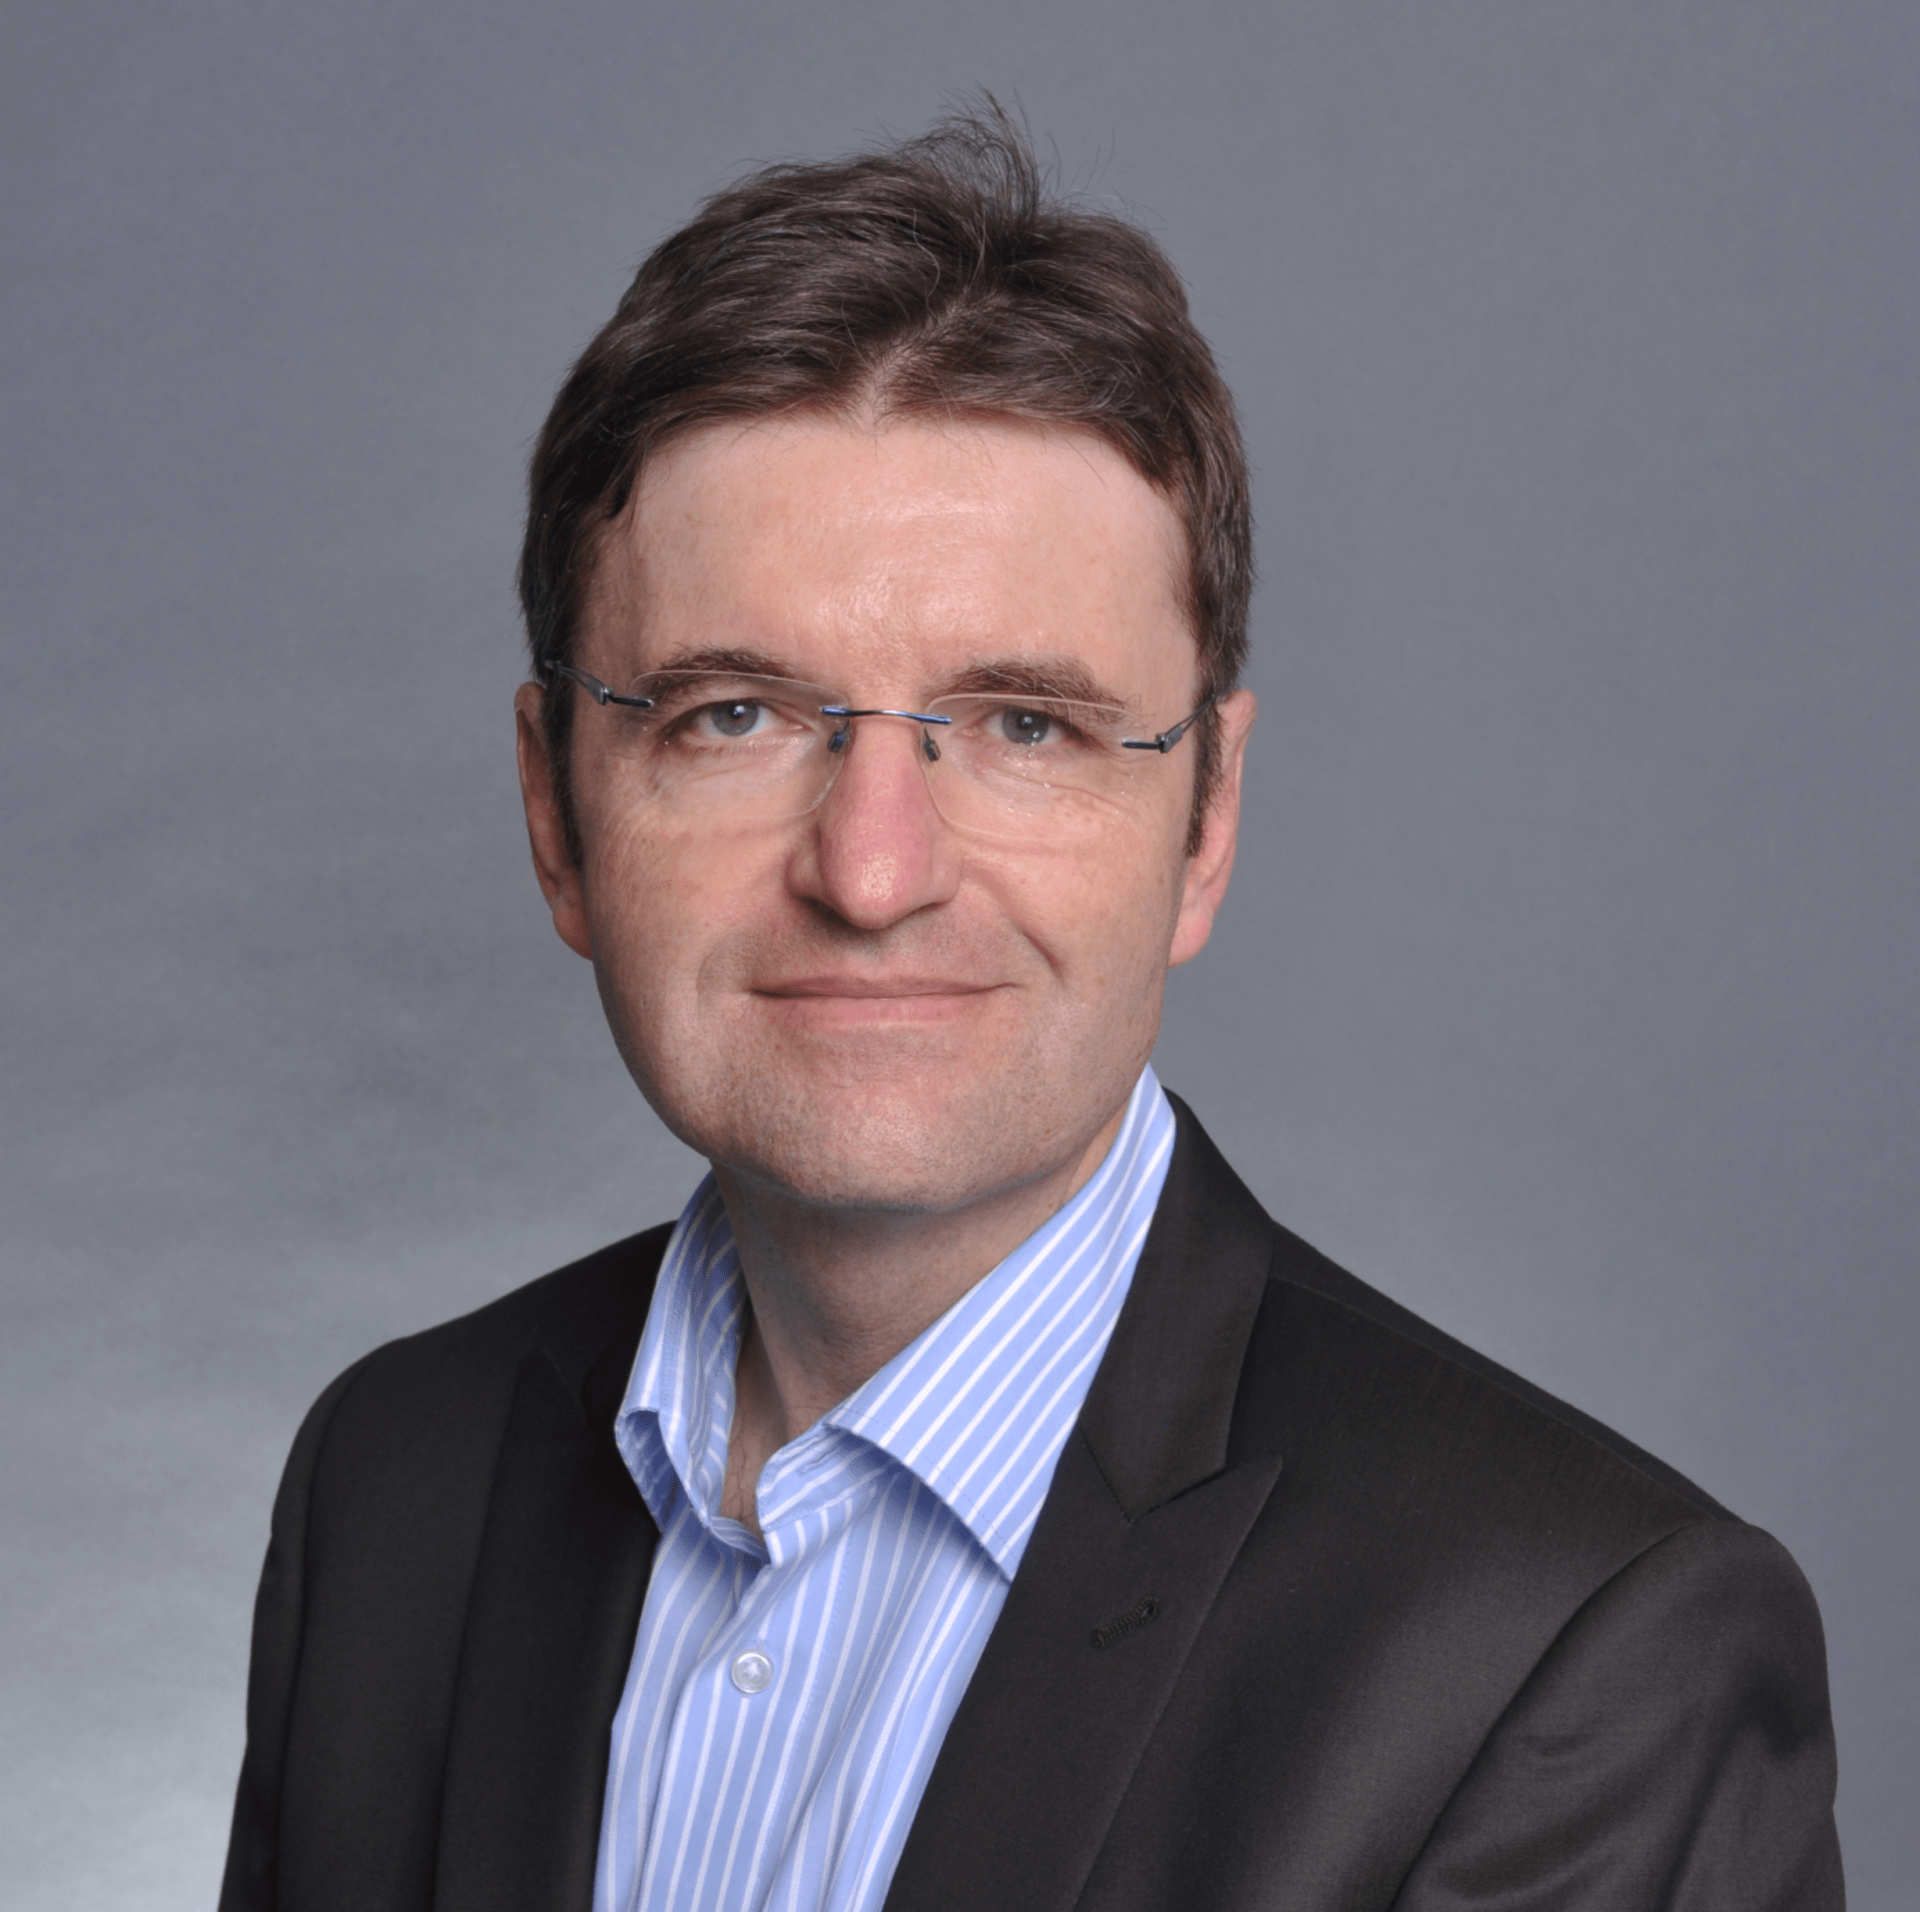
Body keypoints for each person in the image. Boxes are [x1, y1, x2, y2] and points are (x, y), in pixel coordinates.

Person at [218, 110, 1843, 1912]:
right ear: (557, 814)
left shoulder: (1569, 1655)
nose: (874, 870)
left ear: (1205, 821)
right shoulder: (397, 1482)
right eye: (735, 715)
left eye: (1024, 725)